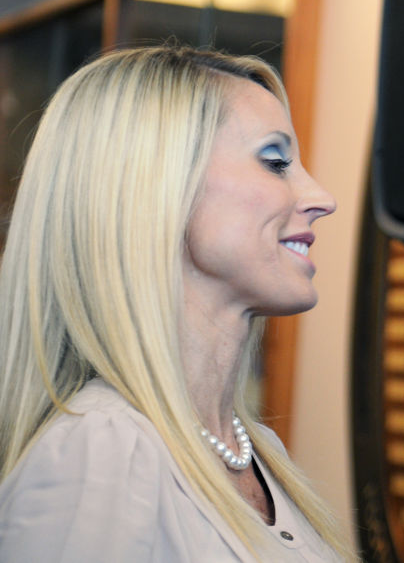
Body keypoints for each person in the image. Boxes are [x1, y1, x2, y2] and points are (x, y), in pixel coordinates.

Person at [0, 46, 356, 562]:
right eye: (275, 162)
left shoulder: (260, 455)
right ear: (161, 187)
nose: (322, 197)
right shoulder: (101, 451)